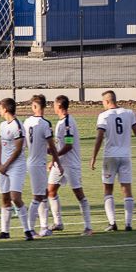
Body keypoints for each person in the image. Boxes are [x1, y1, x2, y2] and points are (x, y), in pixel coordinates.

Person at [89, 91, 136, 231]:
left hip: (110, 156)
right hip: (125, 156)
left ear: (106, 102)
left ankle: (112, 223)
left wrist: (93, 156)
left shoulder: (103, 116)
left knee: (108, 189)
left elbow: (99, 137)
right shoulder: (129, 113)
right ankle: (128, 224)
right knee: (126, 189)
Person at [48, 95, 94, 236]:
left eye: (54, 105)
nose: (53, 107)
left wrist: (55, 156)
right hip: (60, 164)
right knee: (50, 191)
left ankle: (88, 227)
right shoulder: (60, 122)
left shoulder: (68, 122)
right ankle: (58, 223)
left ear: (60, 106)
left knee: (79, 194)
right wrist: (54, 159)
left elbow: (68, 145)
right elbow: (60, 144)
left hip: (70, 164)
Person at [0, 98, 32, 240]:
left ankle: (27, 230)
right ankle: (5, 231)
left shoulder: (17, 126)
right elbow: (0, 145)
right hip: (4, 167)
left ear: (5, 109)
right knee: (5, 197)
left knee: (15, 197)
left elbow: (18, 149)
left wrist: (6, 165)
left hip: (16, 166)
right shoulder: (3, 125)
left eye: (0, 108)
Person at [23, 94, 62, 237]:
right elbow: (52, 147)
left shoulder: (26, 122)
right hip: (38, 164)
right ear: (44, 106)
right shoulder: (46, 124)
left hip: (32, 161)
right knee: (38, 196)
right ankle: (30, 228)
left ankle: (44, 226)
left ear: (34, 106)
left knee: (43, 194)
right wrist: (57, 162)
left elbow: (27, 144)